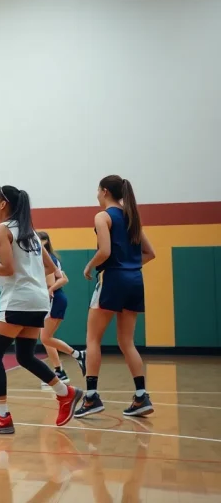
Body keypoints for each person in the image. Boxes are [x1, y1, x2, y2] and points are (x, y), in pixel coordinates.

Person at [0, 185, 83, 434]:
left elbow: (8, 268)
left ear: (3, 204)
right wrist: (4, 273)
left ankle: (1, 415)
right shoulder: (29, 232)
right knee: (24, 356)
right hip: (38, 300)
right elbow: (51, 266)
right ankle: (66, 393)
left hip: (18, 301)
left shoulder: (2, 229)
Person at [75, 175, 156, 418]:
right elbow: (150, 253)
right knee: (126, 341)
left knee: (93, 340)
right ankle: (141, 395)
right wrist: (129, 265)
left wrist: (90, 266)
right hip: (134, 280)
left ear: (104, 191)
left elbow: (105, 251)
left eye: (97, 191)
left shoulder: (103, 216)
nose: (96, 195)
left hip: (112, 279)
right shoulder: (132, 216)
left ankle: (91, 398)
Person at [36, 231, 86, 388]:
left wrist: (47, 289)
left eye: (40, 240)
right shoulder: (51, 258)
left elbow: (50, 283)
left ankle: (78, 354)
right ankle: (59, 371)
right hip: (57, 298)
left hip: (53, 299)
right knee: (47, 337)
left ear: (45, 242)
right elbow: (64, 278)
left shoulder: (47, 259)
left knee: (45, 338)